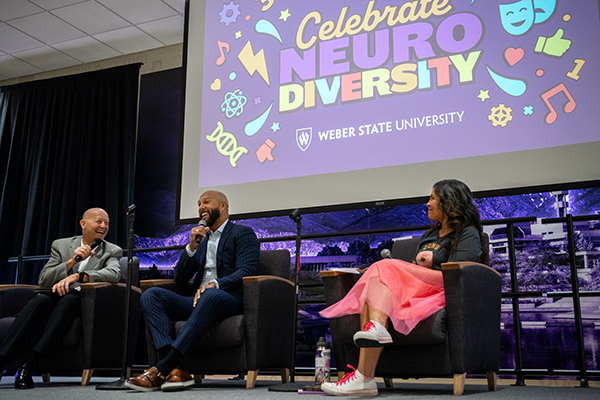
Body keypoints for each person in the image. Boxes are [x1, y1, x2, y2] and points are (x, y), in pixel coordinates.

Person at [320, 179, 488, 396]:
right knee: (375, 284)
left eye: (433, 198)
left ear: (449, 202)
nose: (427, 203)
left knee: (383, 267)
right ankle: (365, 375)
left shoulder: (467, 233)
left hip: (444, 289)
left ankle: (365, 372)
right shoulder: (429, 236)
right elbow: (413, 268)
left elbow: (458, 274)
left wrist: (422, 265)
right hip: (418, 290)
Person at [126, 190, 260, 392]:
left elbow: (246, 271)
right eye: (198, 204)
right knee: (151, 295)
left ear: (223, 206)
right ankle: (177, 369)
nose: (201, 207)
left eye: (206, 202)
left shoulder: (242, 233)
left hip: (228, 299)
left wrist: (215, 284)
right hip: (199, 300)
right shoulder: (200, 239)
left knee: (210, 294)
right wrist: (190, 247)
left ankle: (161, 368)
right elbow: (180, 278)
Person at [0, 208, 122, 389]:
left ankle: (29, 364)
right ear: (83, 224)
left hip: (81, 300)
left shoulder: (111, 250)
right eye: (99, 221)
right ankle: (2, 360)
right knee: (40, 301)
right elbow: (44, 279)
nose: (103, 226)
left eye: (107, 223)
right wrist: (71, 262)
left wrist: (79, 276)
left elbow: (114, 274)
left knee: (70, 299)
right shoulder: (62, 245)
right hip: (53, 294)